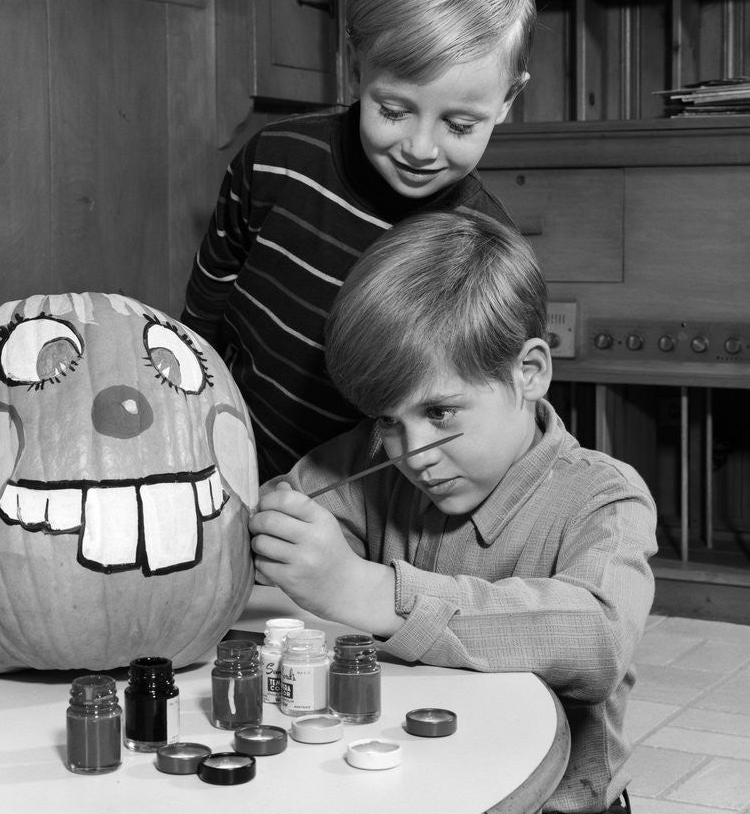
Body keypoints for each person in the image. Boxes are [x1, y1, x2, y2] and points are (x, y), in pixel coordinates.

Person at [250, 210, 658, 814]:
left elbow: (596, 638)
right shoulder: (374, 461)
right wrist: (272, 531)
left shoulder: (605, 496)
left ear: (529, 372)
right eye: (388, 420)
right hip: (414, 790)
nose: (413, 454)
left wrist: (370, 592)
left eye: (441, 413)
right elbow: (287, 507)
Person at [181, 0, 535, 481]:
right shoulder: (274, 158)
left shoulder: (483, 247)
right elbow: (208, 296)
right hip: (225, 450)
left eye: (460, 125)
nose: (421, 148)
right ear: (353, 68)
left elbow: (469, 417)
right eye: (393, 111)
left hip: (361, 505)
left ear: (508, 101)